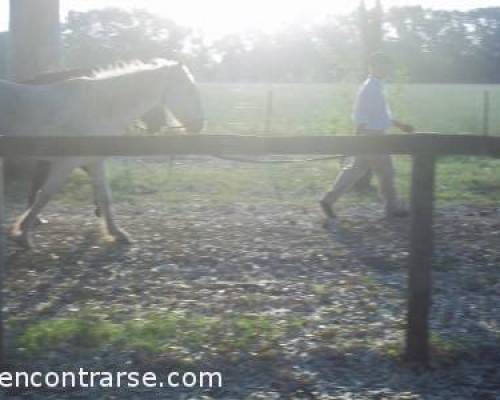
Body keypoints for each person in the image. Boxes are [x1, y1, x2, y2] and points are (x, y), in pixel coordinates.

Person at [320, 52, 414, 219]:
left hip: (369, 136)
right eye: (381, 65)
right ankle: (392, 208)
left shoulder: (376, 86)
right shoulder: (371, 88)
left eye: (387, 65)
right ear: (372, 67)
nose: (385, 69)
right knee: (386, 172)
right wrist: (357, 139)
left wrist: (401, 125)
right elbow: (361, 115)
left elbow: (382, 115)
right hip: (374, 137)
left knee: (355, 170)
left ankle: (329, 199)